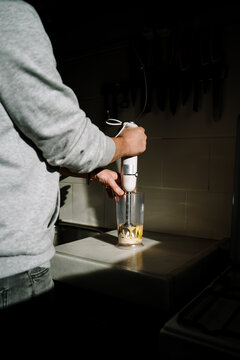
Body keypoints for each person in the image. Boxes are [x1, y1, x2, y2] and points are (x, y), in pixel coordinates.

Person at [0, 0, 147, 316]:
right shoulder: (8, 16)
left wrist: (95, 168)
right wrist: (124, 144)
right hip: (10, 271)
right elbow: (67, 139)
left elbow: (26, 143)